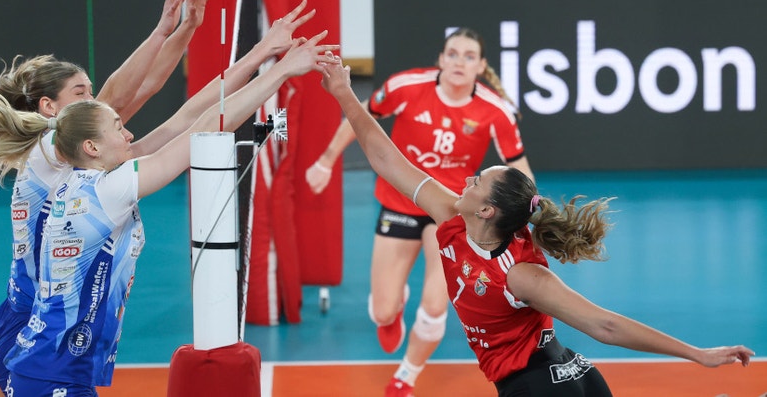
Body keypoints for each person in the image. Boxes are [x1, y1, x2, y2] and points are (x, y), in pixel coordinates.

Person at [317, 54, 755, 396]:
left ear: (487, 210)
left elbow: (604, 326)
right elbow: (386, 158)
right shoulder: (451, 215)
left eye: (478, 181)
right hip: (559, 380)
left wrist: (697, 354)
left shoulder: (521, 273)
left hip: (546, 387)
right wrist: (343, 93)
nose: (467, 178)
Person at [0, 28, 339, 396]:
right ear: (89, 144)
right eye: (117, 125)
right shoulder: (94, 181)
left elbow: (184, 122)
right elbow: (196, 125)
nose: (129, 132)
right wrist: (283, 69)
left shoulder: (78, 176)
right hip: (51, 361)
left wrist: (260, 55)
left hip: (34, 345)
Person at [305, 28, 533, 394]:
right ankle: (392, 308)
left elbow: (518, 167)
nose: (460, 62)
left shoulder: (495, 111)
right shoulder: (405, 87)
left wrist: (533, 213)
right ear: (441, 60)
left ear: (481, 65)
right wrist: (326, 160)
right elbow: (363, 118)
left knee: (435, 302)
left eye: (469, 56)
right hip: (400, 202)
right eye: (453, 54)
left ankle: (405, 376)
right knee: (381, 311)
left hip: (452, 211)